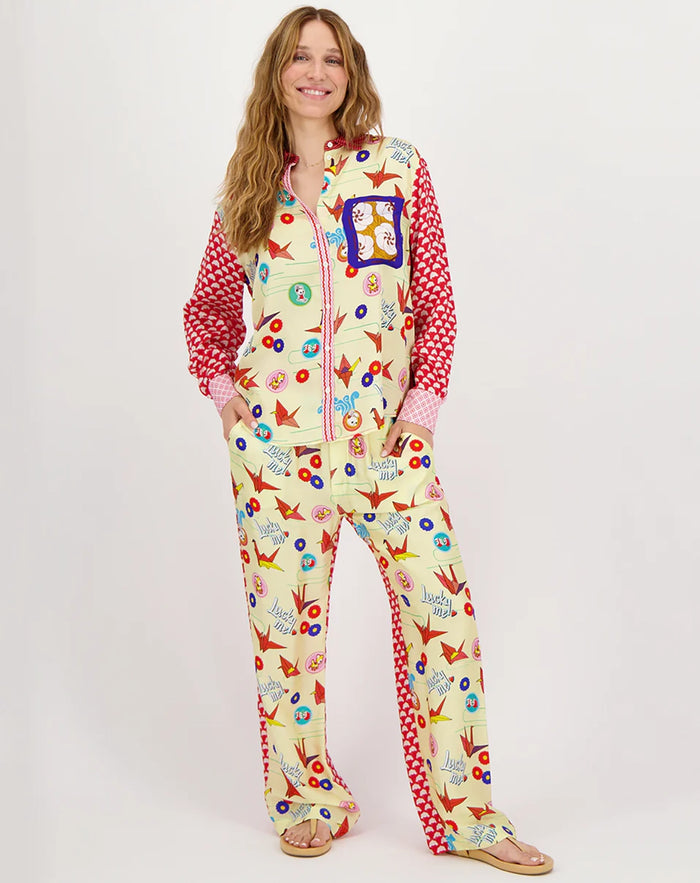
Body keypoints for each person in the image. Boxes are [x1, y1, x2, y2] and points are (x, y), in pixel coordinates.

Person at [183, 5, 553, 874]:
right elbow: (207, 314)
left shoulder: (396, 170)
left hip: (389, 450)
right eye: (300, 57)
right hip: (277, 458)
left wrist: (418, 420)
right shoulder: (249, 191)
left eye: (333, 59)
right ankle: (306, 798)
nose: (317, 72)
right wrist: (230, 405)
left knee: (443, 616)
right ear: (277, 73)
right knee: (286, 638)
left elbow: (437, 302)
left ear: (351, 75)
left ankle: (467, 817)